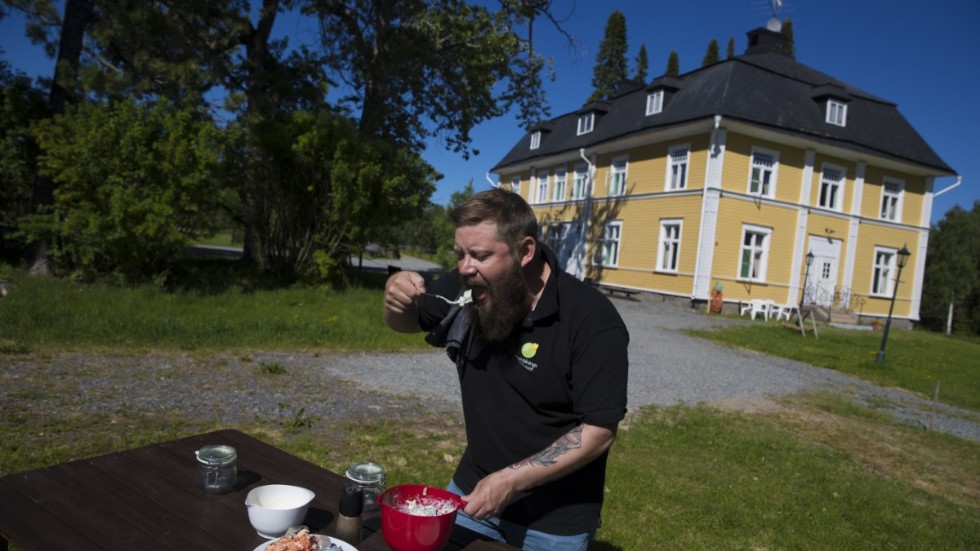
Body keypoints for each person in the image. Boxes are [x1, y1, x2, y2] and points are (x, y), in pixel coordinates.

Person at [383, 187, 629, 551]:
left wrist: (511, 481)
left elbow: (598, 431)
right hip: (472, 493)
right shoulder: (470, 282)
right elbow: (405, 322)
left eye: (480, 255)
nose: (465, 268)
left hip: (554, 523)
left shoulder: (591, 320)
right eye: (460, 254)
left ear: (525, 251)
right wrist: (395, 295)